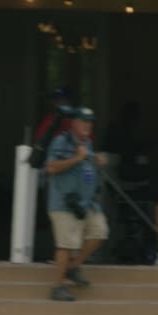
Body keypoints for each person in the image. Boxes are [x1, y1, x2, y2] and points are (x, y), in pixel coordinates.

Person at [45, 107, 108, 302]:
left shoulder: (88, 143)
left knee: (99, 232)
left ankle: (72, 267)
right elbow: (51, 167)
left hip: (86, 204)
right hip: (64, 204)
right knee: (66, 244)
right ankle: (58, 286)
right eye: (83, 121)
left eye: (90, 122)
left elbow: (87, 170)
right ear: (74, 123)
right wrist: (77, 158)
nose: (87, 125)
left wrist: (96, 161)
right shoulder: (61, 141)